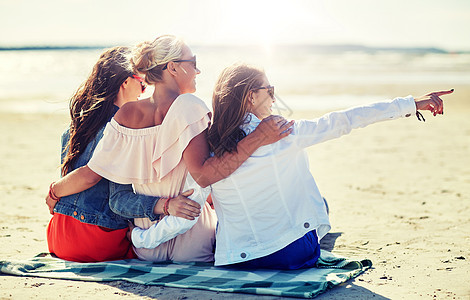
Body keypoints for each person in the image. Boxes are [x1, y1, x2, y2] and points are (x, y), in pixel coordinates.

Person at [131, 63, 451, 269]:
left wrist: (140, 241)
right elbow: (346, 120)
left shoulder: (211, 147)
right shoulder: (285, 133)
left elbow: (190, 208)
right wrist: (411, 104)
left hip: (236, 261)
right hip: (291, 255)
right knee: (319, 205)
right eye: (269, 90)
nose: (273, 96)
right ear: (249, 97)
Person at [47, 36, 293, 263]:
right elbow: (208, 176)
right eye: (193, 62)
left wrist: (163, 206)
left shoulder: (126, 114)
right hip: (193, 241)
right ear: (172, 67)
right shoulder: (190, 106)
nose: (198, 70)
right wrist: (258, 136)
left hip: (146, 248)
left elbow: (117, 200)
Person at [46, 46, 202, 263]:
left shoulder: (77, 127)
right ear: (125, 82)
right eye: (141, 82)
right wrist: (165, 204)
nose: (144, 91)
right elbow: (114, 195)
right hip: (97, 241)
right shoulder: (121, 131)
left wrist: (54, 191)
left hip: (58, 237)